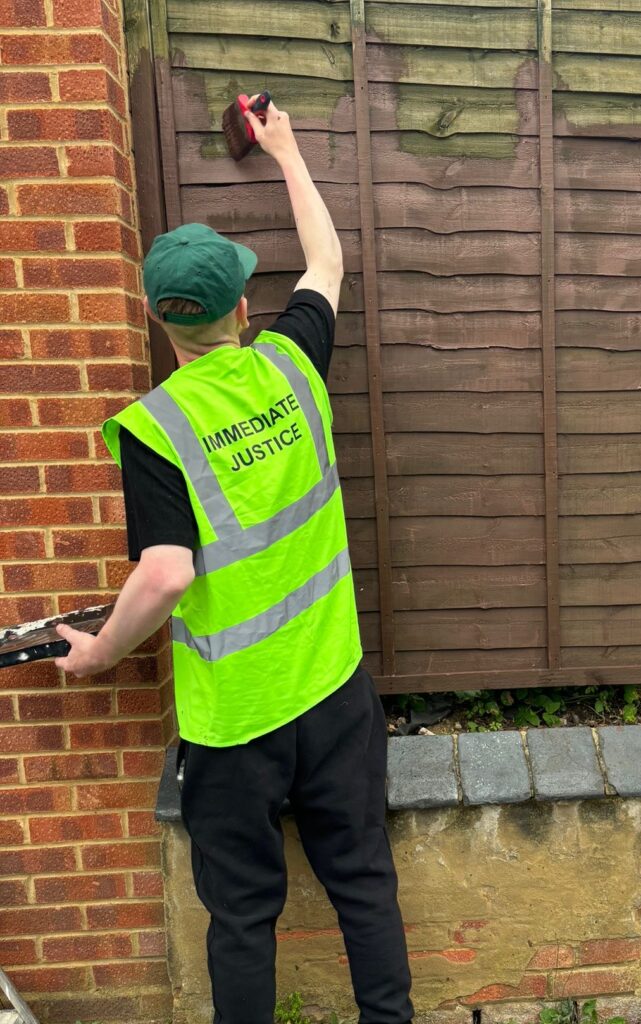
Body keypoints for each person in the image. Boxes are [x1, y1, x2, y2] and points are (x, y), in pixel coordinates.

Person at [53, 100, 414, 1024]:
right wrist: (287, 151)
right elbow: (328, 263)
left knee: (243, 919)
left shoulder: (156, 428)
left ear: (161, 325)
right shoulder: (292, 364)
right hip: (333, 690)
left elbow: (167, 574)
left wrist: (97, 654)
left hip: (236, 725)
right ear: (242, 308)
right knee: (364, 886)